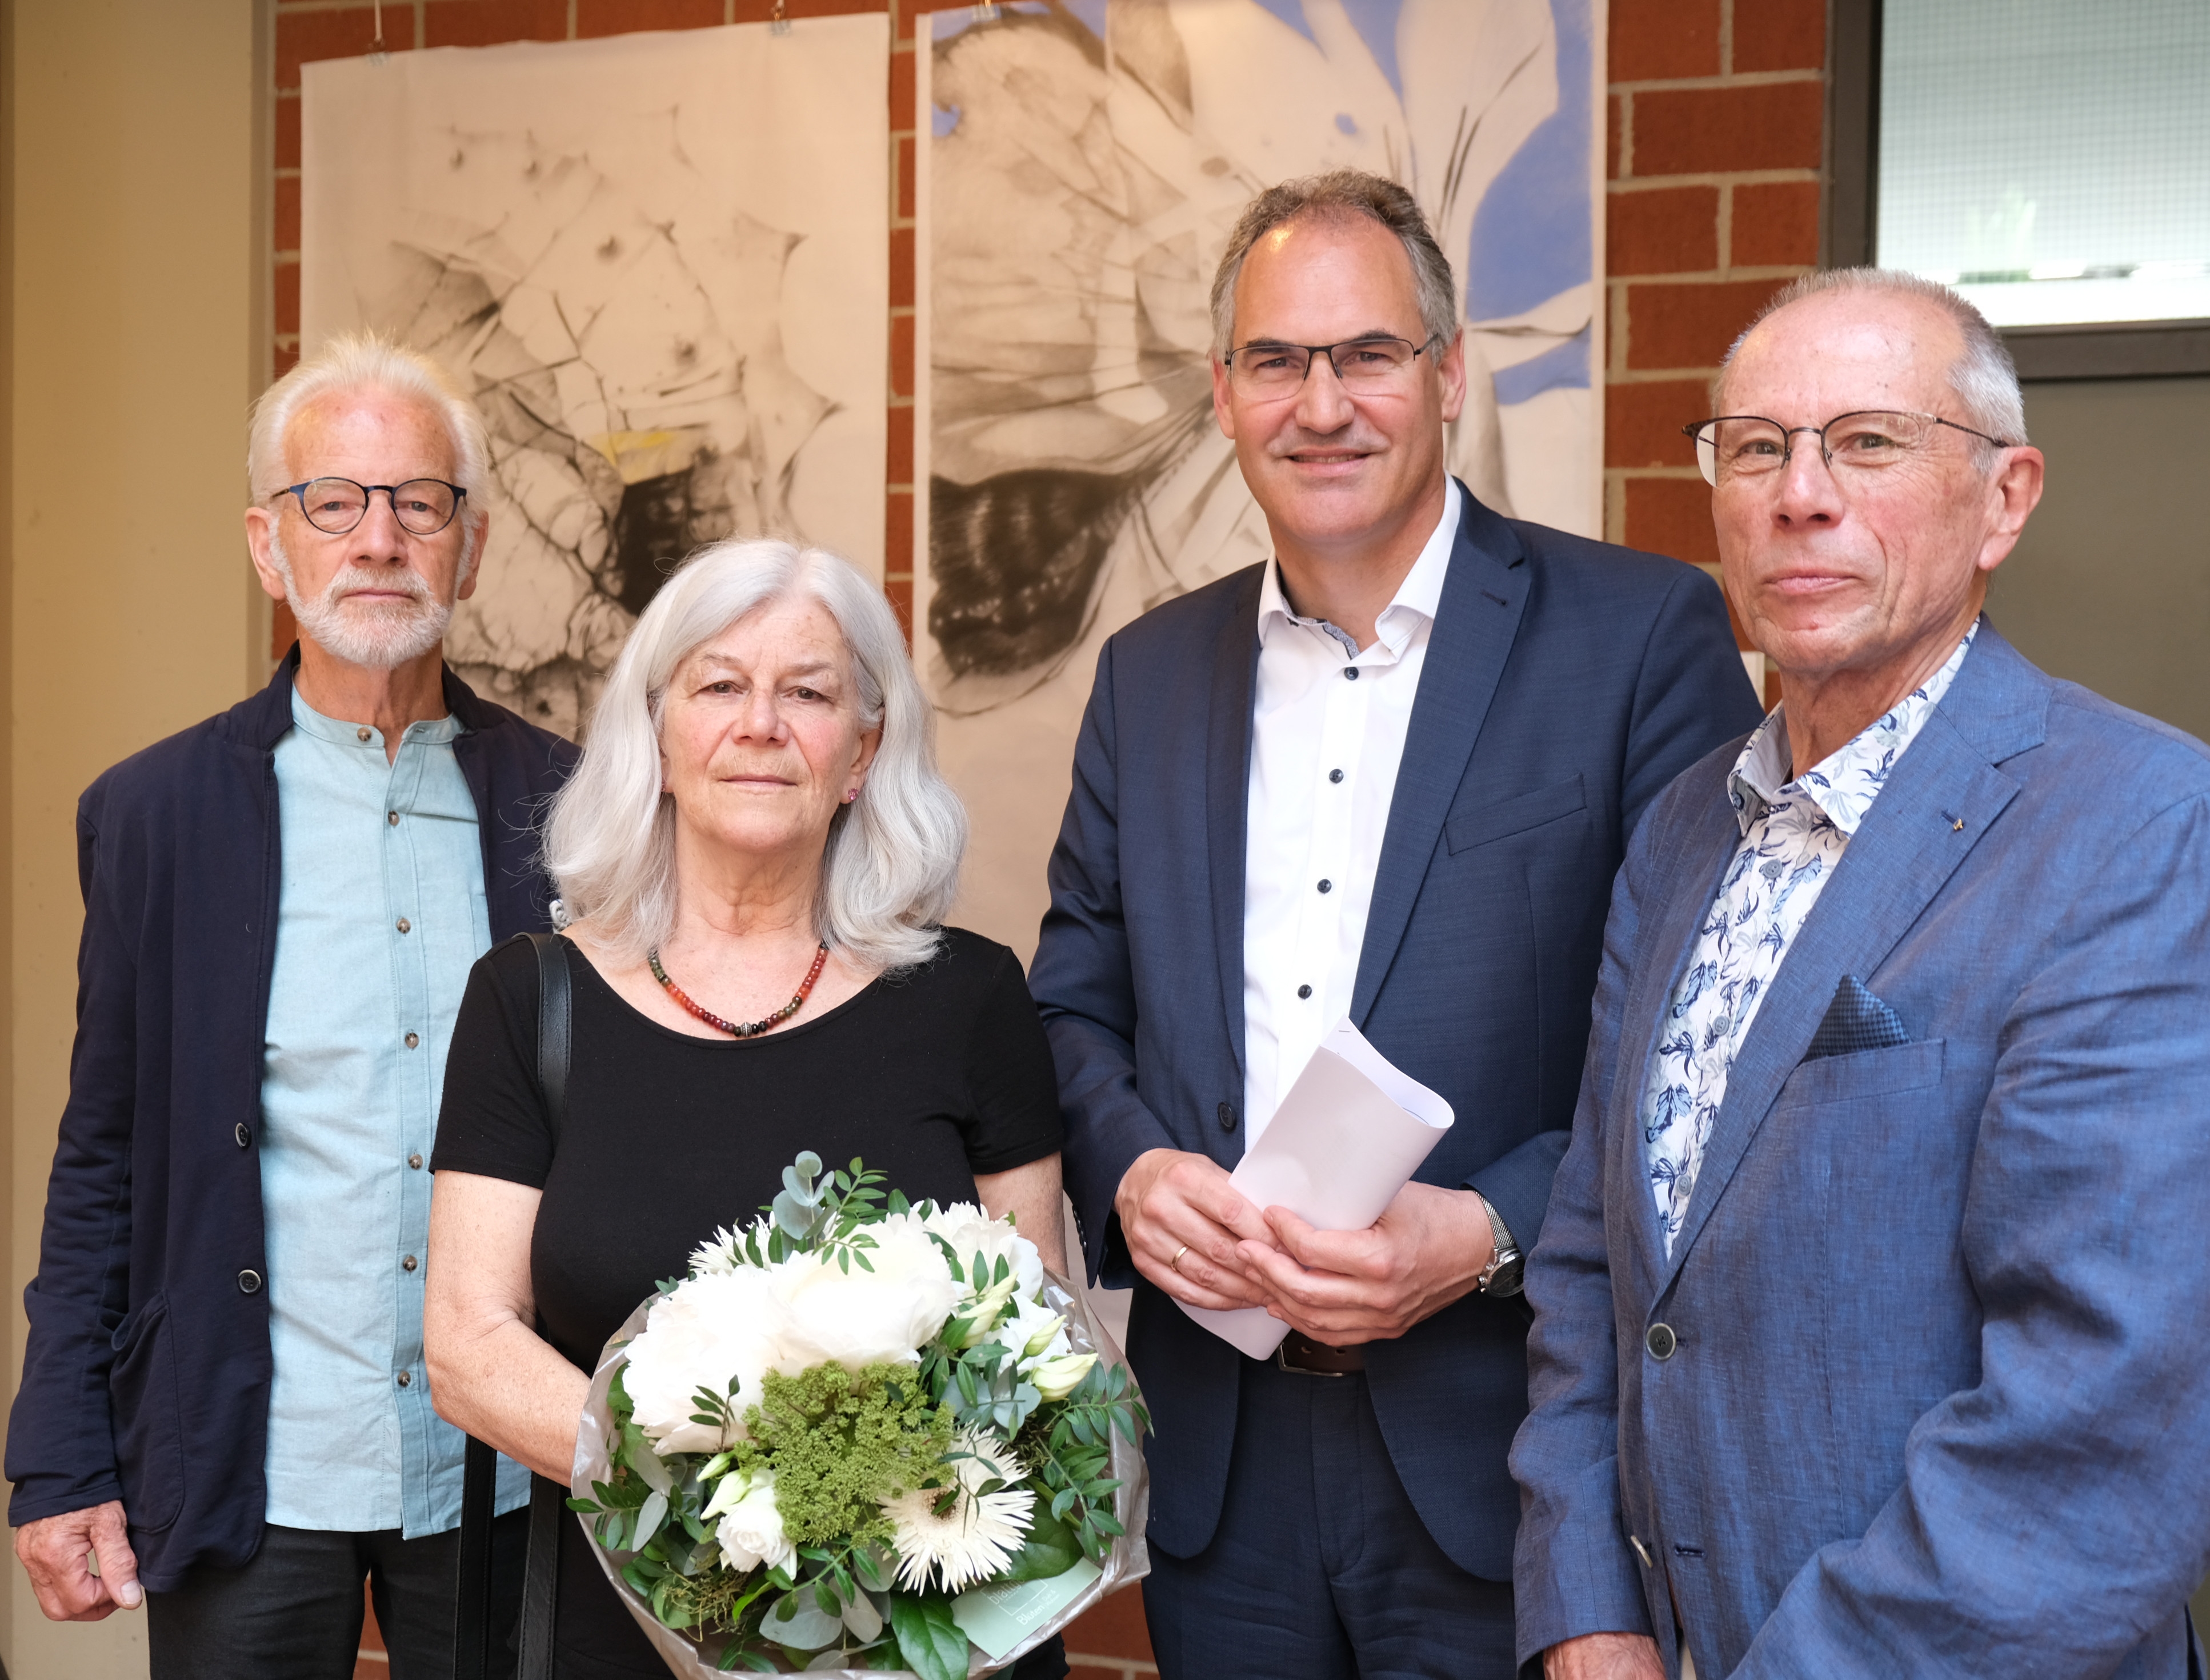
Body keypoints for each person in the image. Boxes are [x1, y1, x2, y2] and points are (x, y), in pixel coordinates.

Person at [1027, 168, 1762, 1679]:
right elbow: (1070, 997)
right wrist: (1137, 1169)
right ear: (1221, 394)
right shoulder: (1147, 675)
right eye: (1276, 362)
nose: (1322, 405)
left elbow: (1713, 1044)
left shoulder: (1637, 636)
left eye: (1365, 354)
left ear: (1443, 372)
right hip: (1219, 1469)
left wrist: (1488, 1227)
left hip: (1512, 1455)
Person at [1511, 269, 2210, 1679]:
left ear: (2004, 497)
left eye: (1869, 441)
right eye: (1755, 446)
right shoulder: (1683, 827)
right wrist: (1582, 1611)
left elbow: (2103, 1417)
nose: (1798, 495)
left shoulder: (2138, 824)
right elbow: (1591, 1265)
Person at [5, 334, 574, 1677]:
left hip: (509, 1461)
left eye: (417, 502)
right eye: (335, 502)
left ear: (469, 546)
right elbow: (106, 1153)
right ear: (271, 548)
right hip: (249, 1462)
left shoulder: (576, 814)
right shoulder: (154, 817)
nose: (377, 538)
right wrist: (57, 1455)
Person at [424, 539, 1074, 1678]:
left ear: (864, 752)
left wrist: (866, 1541)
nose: (761, 723)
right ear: (658, 736)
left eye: (809, 693)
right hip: (619, 1633)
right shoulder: (528, 1000)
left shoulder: (969, 999)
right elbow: (469, 1346)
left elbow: (1037, 1345)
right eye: (719, 685)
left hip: (919, 1638)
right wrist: (731, 1513)